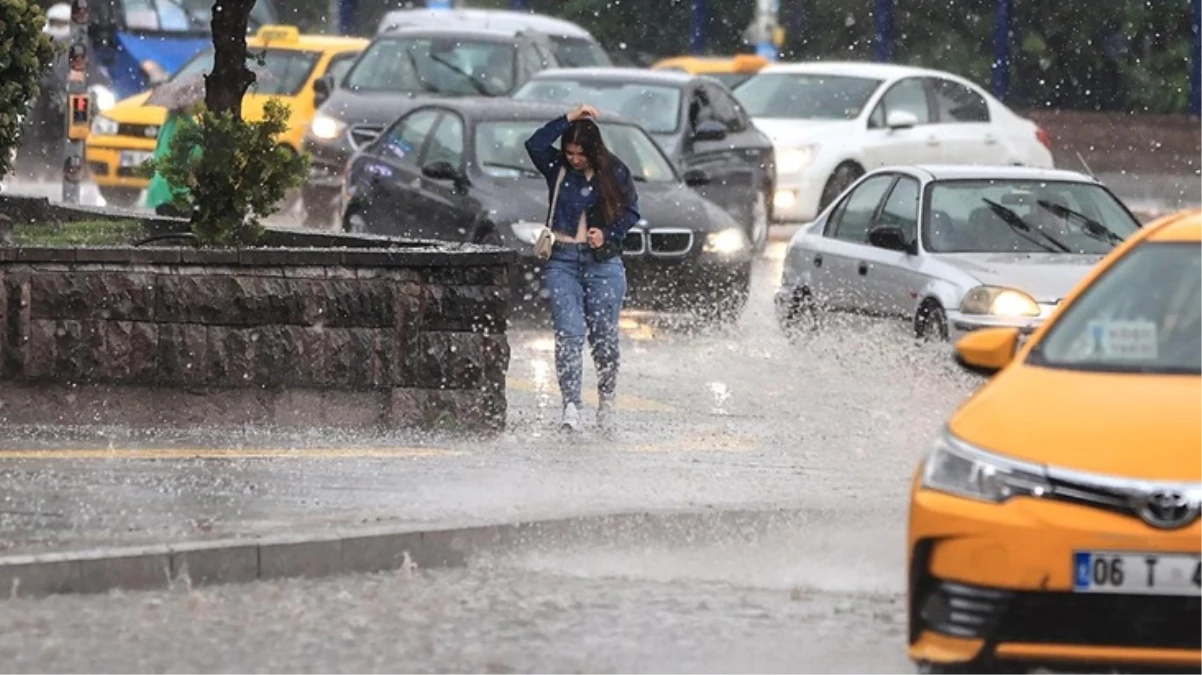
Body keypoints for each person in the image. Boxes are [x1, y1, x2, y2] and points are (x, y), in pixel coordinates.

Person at [525, 104, 641, 433]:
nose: (574, 158)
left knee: (604, 339)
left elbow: (633, 210)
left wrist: (608, 233)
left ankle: (606, 399)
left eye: (580, 153)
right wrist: (569, 118)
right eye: (569, 152)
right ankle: (571, 405)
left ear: (593, 150)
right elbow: (534, 144)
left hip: (603, 264)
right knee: (568, 335)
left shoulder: (614, 171)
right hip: (562, 260)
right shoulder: (557, 168)